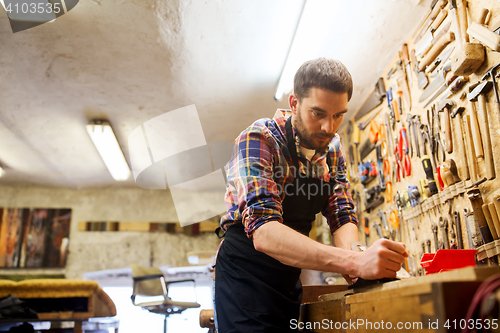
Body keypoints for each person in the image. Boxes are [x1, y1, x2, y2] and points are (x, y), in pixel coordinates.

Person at [214, 58, 408, 332]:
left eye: (338, 115)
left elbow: (341, 216)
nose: (329, 127)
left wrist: (358, 269)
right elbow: (265, 232)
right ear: (294, 103)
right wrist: (356, 261)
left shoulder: (333, 149)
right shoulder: (259, 139)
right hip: (244, 278)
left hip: (289, 275)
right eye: (318, 113)